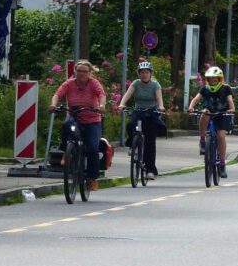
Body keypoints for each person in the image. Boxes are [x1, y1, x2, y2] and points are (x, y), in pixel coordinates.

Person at [49, 59, 107, 191]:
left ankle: (92, 178)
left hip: (92, 120)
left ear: (90, 73)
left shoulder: (94, 83)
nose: (81, 74)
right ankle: (66, 151)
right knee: (67, 124)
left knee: (92, 149)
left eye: (84, 71)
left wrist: (101, 106)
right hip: (75, 117)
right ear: (75, 71)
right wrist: (53, 104)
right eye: (78, 71)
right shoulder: (69, 84)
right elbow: (57, 94)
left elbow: (101, 94)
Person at [114, 61, 166, 179]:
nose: (144, 75)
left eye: (146, 72)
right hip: (139, 110)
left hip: (152, 112)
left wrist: (161, 106)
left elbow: (159, 98)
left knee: (150, 142)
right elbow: (127, 95)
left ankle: (150, 170)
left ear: (150, 73)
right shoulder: (136, 84)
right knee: (130, 124)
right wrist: (122, 104)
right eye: (142, 72)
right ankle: (133, 145)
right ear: (139, 74)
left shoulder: (155, 85)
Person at [187, 66, 236, 178]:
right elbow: (196, 99)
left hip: (222, 115)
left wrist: (232, 109)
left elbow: (230, 100)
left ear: (220, 80)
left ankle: (222, 164)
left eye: (215, 80)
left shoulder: (226, 88)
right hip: (210, 113)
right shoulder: (205, 89)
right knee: (204, 112)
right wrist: (191, 107)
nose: (213, 82)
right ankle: (203, 140)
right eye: (211, 80)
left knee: (221, 136)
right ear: (207, 80)